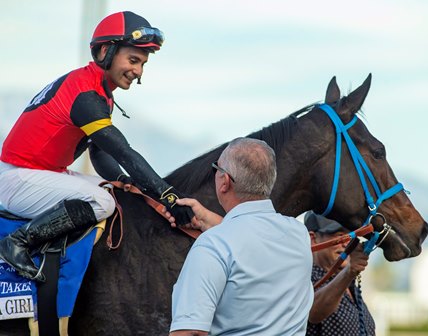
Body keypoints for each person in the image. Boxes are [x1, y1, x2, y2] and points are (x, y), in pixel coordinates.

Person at [0, 11, 193, 282]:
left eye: (143, 64)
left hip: (40, 173)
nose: (138, 71)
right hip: (18, 178)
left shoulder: (99, 91)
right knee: (102, 202)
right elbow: (122, 151)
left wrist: (122, 181)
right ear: (106, 51)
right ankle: (18, 242)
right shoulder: (85, 95)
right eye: (133, 60)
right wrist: (169, 196)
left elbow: (99, 152)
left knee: (110, 192)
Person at [169, 137, 313, 336]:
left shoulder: (213, 246)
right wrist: (206, 220)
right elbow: (253, 241)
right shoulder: (299, 235)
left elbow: (189, 332)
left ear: (224, 181)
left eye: (216, 169)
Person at [304, 211, 376, 335]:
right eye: (340, 235)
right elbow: (313, 313)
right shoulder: (303, 278)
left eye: (351, 236)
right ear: (313, 239)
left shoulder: (350, 283)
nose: (347, 243)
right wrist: (350, 271)